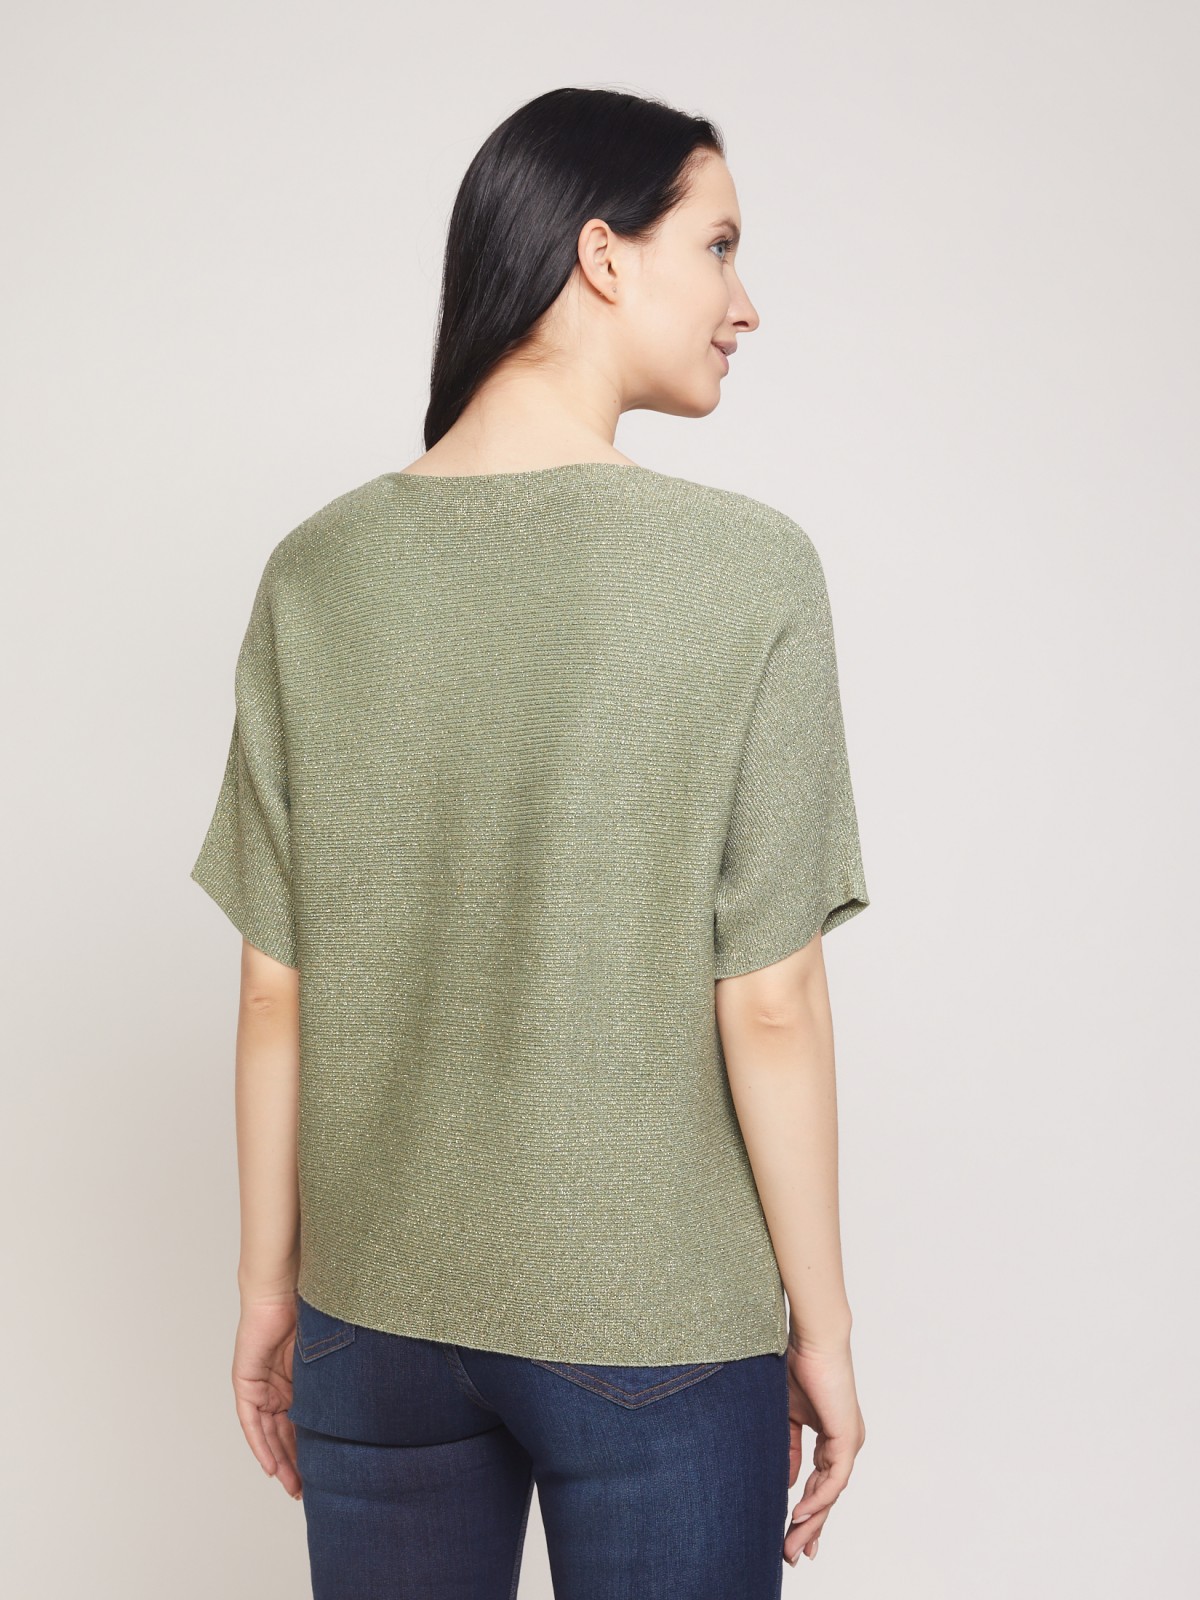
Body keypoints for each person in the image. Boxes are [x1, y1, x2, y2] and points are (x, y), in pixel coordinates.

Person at [190, 85, 872, 1600]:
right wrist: (820, 1329)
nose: (746, 304)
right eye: (719, 246)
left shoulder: (317, 571)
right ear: (603, 254)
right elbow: (771, 1000)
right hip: (654, 1316)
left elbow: (273, 988)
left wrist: (267, 1287)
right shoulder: (750, 570)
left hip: (372, 1316)